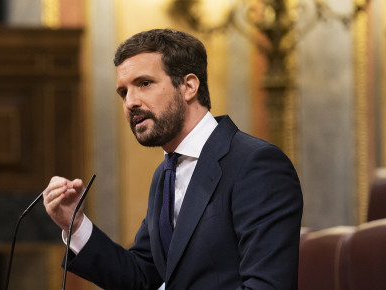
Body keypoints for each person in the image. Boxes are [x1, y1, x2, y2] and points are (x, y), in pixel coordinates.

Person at [42, 29, 303, 290]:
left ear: (189, 86)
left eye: (144, 83)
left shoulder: (257, 164)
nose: (130, 102)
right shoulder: (164, 174)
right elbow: (142, 276)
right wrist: (75, 224)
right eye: (123, 92)